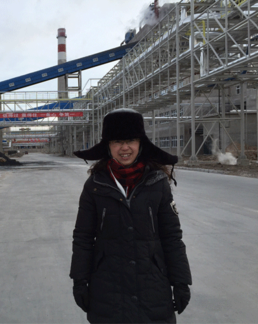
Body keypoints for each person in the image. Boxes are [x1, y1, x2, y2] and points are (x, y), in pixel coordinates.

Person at [70, 108, 192, 324]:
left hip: (152, 287)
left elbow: (172, 236)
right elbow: (83, 237)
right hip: (108, 290)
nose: (124, 148)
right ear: (108, 146)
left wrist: (181, 282)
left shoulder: (157, 183)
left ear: (140, 143)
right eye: (117, 141)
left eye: (131, 140)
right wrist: (80, 280)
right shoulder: (95, 186)